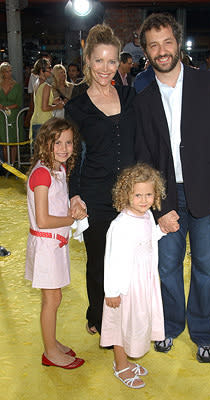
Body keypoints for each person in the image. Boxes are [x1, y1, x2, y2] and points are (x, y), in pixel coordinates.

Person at [134, 13, 210, 362]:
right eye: (153, 45)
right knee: (166, 267)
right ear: (147, 52)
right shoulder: (143, 96)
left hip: (209, 195)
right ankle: (168, 325)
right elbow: (145, 158)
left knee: (207, 268)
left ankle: (204, 333)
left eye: (167, 42)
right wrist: (159, 207)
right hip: (168, 196)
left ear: (177, 43)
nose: (161, 50)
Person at [65, 24, 136, 336]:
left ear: (118, 61)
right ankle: (97, 316)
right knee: (98, 261)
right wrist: (74, 194)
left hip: (133, 197)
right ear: (87, 61)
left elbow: (146, 145)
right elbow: (72, 155)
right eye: (98, 61)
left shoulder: (132, 97)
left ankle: (129, 315)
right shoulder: (76, 106)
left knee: (129, 262)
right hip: (94, 194)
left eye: (111, 61)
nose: (105, 69)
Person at [25, 117, 85, 370]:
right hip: (46, 247)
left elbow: (59, 202)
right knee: (51, 300)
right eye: (56, 142)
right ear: (44, 144)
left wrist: (72, 204)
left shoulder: (58, 169)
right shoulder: (42, 174)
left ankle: (52, 342)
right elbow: (43, 219)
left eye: (68, 142)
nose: (63, 148)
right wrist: (71, 217)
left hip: (56, 245)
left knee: (56, 297)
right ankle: (50, 351)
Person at [100, 163, 166, 389]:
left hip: (144, 282)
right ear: (125, 194)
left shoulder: (147, 216)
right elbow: (112, 259)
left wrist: (162, 230)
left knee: (135, 323)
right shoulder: (120, 225)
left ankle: (126, 361)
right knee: (121, 325)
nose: (144, 200)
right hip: (125, 287)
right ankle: (120, 365)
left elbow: (146, 240)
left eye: (149, 194)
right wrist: (112, 292)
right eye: (138, 195)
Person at [29, 58, 64, 140]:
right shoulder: (46, 86)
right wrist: (57, 107)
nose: (51, 70)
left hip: (36, 121)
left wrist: (53, 101)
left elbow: (39, 101)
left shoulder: (36, 83)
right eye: (49, 68)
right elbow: (44, 108)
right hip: (44, 122)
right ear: (42, 70)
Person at [0, 62, 23, 164]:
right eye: (6, 71)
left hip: (13, 115)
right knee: (4, 141)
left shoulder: (16, 86)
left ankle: (13, 164)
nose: (9, 73)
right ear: (2, 73)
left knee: (13, 141)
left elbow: (19, 103)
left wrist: (7, 107)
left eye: (10, 71)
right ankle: (6, 165)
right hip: (1, 116)